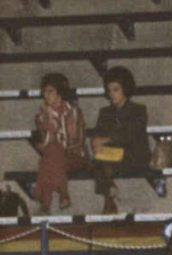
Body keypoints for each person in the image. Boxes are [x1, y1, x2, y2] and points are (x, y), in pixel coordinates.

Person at [90, 66, 150, 214]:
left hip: (133, 155)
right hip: (113, 155)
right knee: (98, 159)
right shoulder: (104, 112)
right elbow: (98, 134)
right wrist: (96, 143)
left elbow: (129, 135)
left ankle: (109, 198)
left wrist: (105, 140)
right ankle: (110, 193)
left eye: (116, 90)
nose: (112, 94)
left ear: (125, 89)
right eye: (109, 90)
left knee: (101, 161)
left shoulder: (139, 110)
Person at [32, 72, 87, 213]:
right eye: (44, 92)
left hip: (75, 156)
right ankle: (63, 194)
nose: (46, 95)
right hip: (55, 159)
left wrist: (52, 141)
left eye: (50, 91)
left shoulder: (74, 112)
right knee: (52, 154)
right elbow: (47, 142)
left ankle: (45, 205)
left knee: (50, 157)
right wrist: (49, 119)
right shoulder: (41, 117)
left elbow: (75, 142)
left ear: (60, 92)